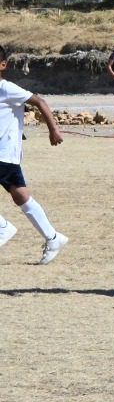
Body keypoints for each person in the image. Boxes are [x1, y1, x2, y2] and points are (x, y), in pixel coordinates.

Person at [0, 46, 68, 263]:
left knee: (20, 196)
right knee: (21, 196)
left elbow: (40, 101)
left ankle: (3, 228)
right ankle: (53, 237)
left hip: (4, 152)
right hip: (6, 156)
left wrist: (53, 129)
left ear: (3, 65)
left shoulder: (7, 88)